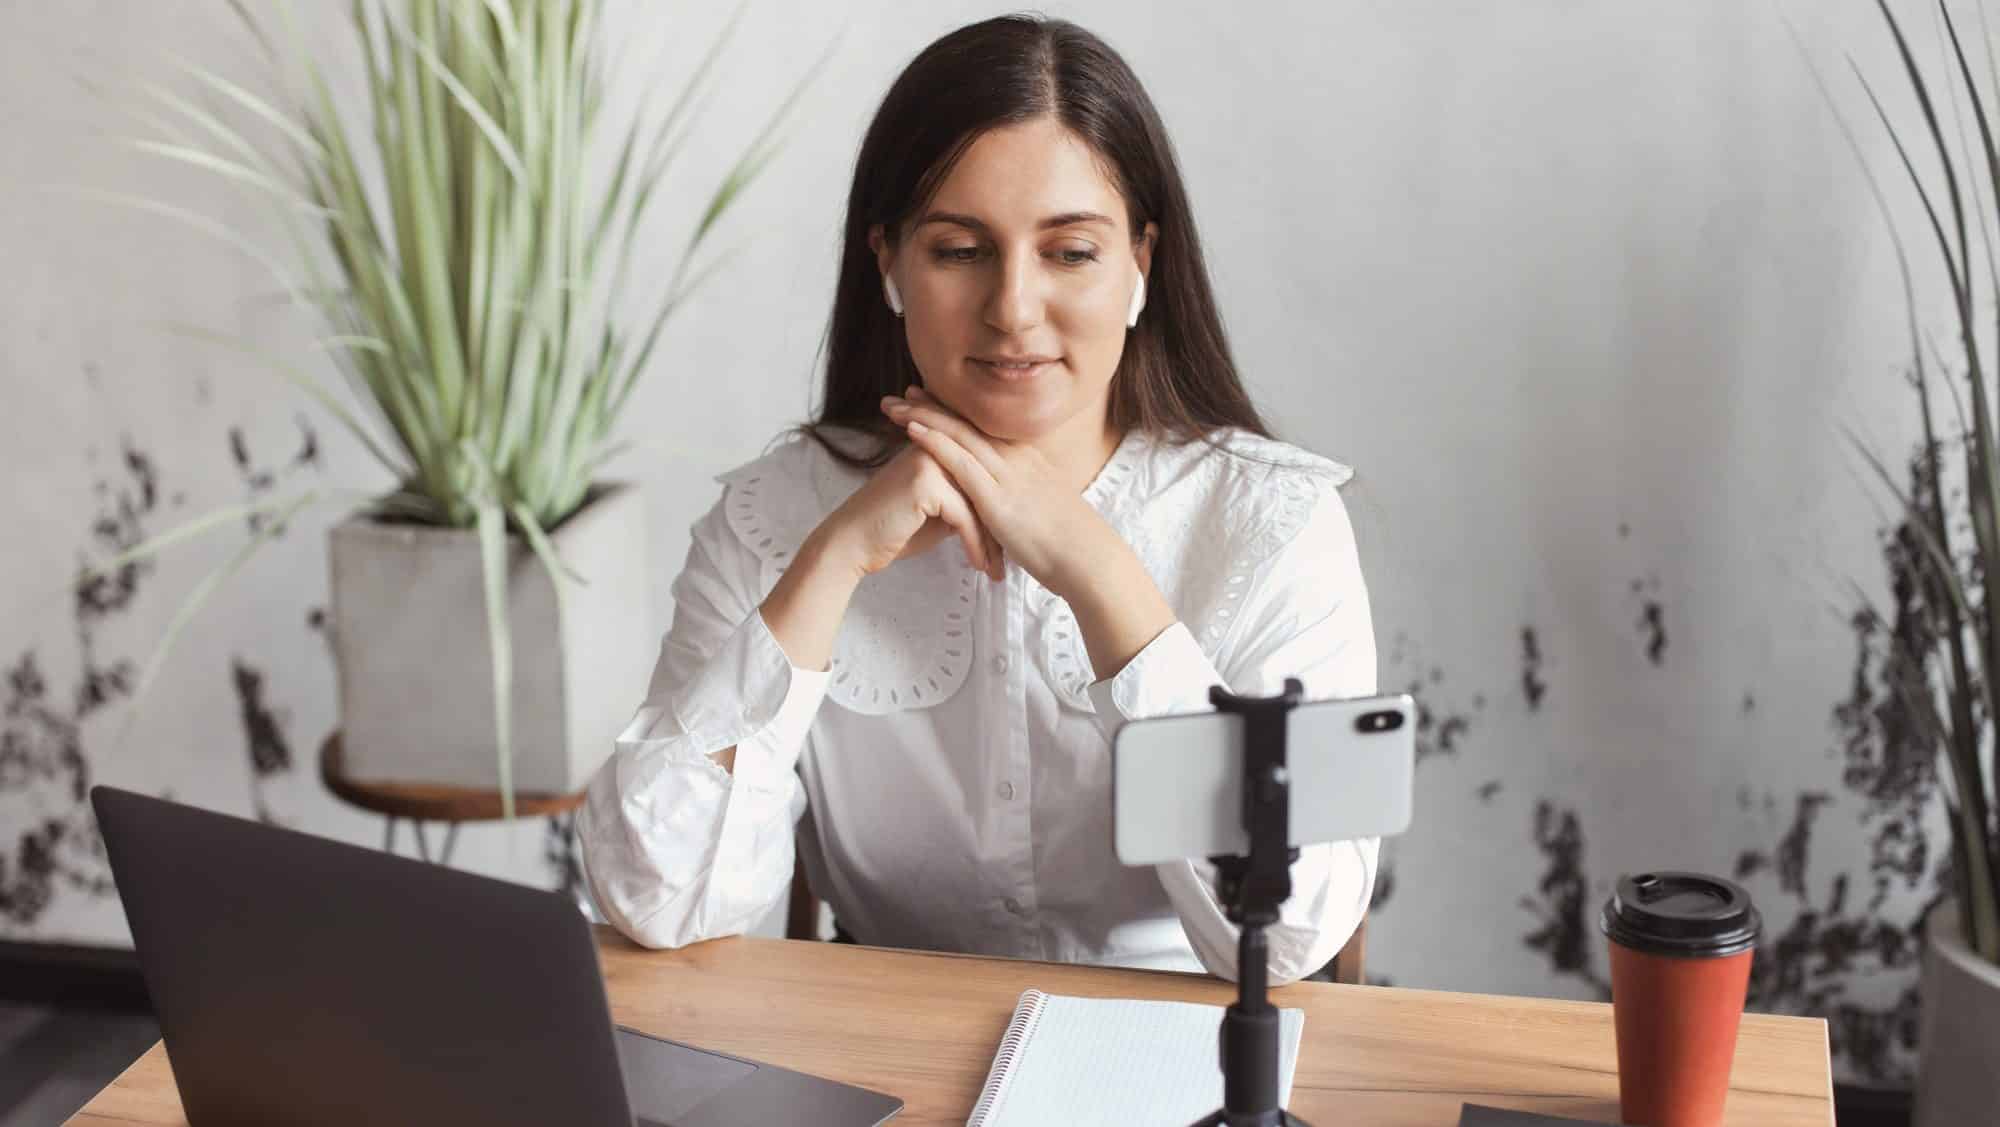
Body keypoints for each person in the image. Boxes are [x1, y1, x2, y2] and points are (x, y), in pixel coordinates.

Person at [577, 14, 1377, 986]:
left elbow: (1289, 938)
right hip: (878, 1060)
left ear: (1140, 265)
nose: (1011, 308)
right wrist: (828, 565)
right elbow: (657, 901)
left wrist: (1097, 571)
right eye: (959, 249)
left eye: (1069, 251)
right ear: (888, 261)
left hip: (1184, 1053)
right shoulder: (773, 512)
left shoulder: (1271, 522)